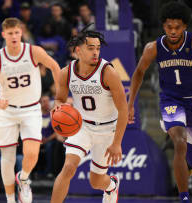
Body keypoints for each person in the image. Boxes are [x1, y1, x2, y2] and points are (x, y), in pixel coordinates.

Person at [127, 2, 192, 202]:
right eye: (169, 27)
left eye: (177, 27)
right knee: (179, 143)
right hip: (171, 99)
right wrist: (130, 105)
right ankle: (184, 198)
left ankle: (189, 165)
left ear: (185, 26)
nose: (173, 31)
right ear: (163, 26)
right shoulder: (152, 48)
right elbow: (138, 74)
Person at [0, 17, 60, 203]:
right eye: (10, 33)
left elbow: (55, 67)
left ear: (22, 33)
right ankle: (10, 200)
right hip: (7, 111)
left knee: (32, 153)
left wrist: (59, 98)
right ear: (3, 34)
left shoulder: (34, 51)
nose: (14, 36)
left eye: (17, 33)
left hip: (31, 109)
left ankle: (24, 178)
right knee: (7, 158)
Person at [50, 25, 128, 203]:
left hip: (107, 129)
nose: (96, 52)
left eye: (98, 48)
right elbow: (60, 99)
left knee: (96, 181)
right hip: (81, 126)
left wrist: (117, 143)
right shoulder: (66, 73)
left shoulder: (108, 72)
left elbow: (123, 109)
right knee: (68, 168)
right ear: (78, 50)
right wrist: (58, 108)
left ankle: (111, 185)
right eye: (91, 48)